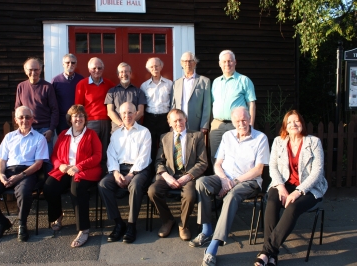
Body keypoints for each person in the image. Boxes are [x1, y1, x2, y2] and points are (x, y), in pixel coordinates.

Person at [190, 107, 270, 266]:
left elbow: (258, 170)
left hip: (249, 181)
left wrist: (233, 182)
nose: (242, 123)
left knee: (232, 195)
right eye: (238, 121)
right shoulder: (227, 136)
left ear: (249, 119)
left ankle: (213, 247)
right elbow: (218, 163)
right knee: (201, 182)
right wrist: (225, 180)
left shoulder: (260, 138)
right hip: (225, 177)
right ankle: (206, 230)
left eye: (244, 120)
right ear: (233, 122)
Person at [254, 110, 328, 266]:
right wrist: (280, 187)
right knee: (272, 202)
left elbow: (317, 172)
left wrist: (298, 191)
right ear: (285, 127)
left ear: (302, 123)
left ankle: (267, 252)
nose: (293, 124)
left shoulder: (313, 142)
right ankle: (272, 257)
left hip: (309, 188)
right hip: (283, 183)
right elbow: (272, 167)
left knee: (292, 207)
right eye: (289, 122)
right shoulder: (278, 141)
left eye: (297, 121)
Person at [0, 106, 48, 242]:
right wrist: (1, 174)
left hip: (27, 173)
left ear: (32, 120)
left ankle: (22, 224)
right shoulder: (9, 137)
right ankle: (3, 222)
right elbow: (2, 159)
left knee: (24, 193)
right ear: (16, 120)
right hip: (7, 172)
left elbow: (38, 164)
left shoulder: (39, 138)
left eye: (27, 117)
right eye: (21, 117)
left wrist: (20, 176)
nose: (24, 120)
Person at [43, 104, 102, 248]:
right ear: (70, 119)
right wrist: (60, 165)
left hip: (85, 170)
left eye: (81, 116)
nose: (79, 119)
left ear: (85, 119)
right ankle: (57, 216)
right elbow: (55, 155)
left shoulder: (91, 134)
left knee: (77, 189)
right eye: (76, 116)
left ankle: (83, 229)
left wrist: (78, 167)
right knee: (49, 187)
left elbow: (97, 156)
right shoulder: (63, 134)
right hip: (65, 169)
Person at [148, 109, 208, 241]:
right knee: (153, 191)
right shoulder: (165, 137)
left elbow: (203, 162)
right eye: (174, 121)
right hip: (169, 174)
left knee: (190, 195)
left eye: (180, 119)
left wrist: (188, 176)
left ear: (185, 119)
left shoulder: (197, 136)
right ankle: (167, 220)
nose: (178, 123)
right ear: (169, 123)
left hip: (188, 175)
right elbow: (159, 161)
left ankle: (183, 224)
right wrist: (166, 176)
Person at [98, 102, 152, 244]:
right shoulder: (116, 134)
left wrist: (130, 175)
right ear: (120, 115)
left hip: (139, 169)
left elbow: (143, 158)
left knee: (134, 185)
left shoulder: (144, 132)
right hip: (120, 169)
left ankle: (131, 225)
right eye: (124, 113)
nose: (127, 116)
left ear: (135, 114)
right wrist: (115, 173)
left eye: (130, 112)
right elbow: (111, 155)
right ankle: (118, 223)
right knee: (103, 184)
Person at [209, 50, 256, 164]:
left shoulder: (244, 80)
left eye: (230, 61)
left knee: (235, 156)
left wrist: (250, 125)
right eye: (224, 61)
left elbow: (252, 104)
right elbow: (212, 104)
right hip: (217, 125)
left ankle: (234, 181)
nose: (227, 64)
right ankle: (219, 180)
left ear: (235, 62)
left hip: (236, 125)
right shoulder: (216, 82)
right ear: (220, 64)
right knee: (215, 157)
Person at [75, 57, 115, 174]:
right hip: (90, 122)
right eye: (94, 68)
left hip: (107, 121)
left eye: (99, 68)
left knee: (105, 150)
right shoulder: (82, 84)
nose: (97, 70)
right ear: (89, 69)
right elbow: (78, 107)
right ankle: (89, 176)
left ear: (103, 69)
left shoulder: (109, 84)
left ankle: (103, 176)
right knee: (90, 151)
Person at [15, 57, 59, 157]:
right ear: (25, 71)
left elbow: (55, 110)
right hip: (28, 128)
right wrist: (21, 128)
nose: (33, 72)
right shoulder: (21, 87)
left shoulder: (47, 87)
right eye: (30, 69)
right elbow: (18, 109)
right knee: (28, 158)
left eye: (36, 69)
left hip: (45, 130)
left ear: (40, 70)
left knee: (46, 159)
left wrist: (51, 130)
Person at [140, 57, 173, 161]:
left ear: (161, 66)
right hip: (150, 119)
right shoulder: (144, 86)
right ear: (148, 69)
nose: (154, 68)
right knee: (150, 145)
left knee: (165, 144)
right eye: (152, 67)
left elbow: (173, 102)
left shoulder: (169, 84)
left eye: (156, 66)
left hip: (165, 118)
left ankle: (164, 167)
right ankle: (151, 170)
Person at [172, 51, 211, 133]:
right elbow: (173, 105)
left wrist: (204, 125)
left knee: (194, 145)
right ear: (181, 64)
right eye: (185, 61)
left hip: (196, 123)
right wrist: (172, 122)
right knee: (180, 144)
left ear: (195, 63)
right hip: (179, 122)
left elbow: (207, 106)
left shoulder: (204, 81)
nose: (188, 64)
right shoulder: (176, 83)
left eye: (190, 61)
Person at [105, 62, 147, 133]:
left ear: (130, 73)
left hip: (134, 128)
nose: (124, 74)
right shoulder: (111, 92)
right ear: (118, 75)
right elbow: (110, 111)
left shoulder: (139, 92)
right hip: (117, 128)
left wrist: (129, 123)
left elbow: (140, 112)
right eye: (121, 72)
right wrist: (121, 124)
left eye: (126, 71)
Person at [51, 54, 84, 135]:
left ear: (76, 64)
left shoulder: (81, 80)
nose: (70, 64)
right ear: (63, 64)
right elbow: (52, 101)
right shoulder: (56, 81)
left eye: (73, 63)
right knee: (64, 142)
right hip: (62, 119)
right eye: (67, 62)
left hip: (78, 118)